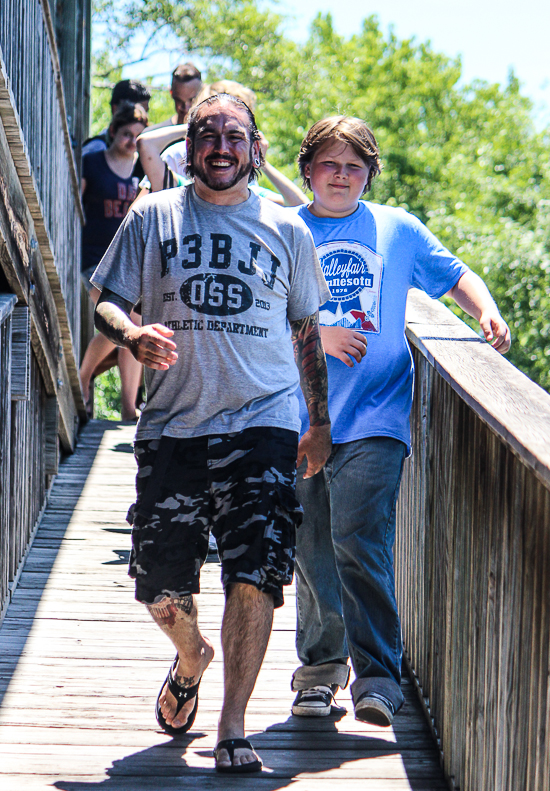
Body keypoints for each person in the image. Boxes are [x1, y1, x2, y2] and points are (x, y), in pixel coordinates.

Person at [90, 93, 332, 773]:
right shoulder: (152, 215)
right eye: (207, 135)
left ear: (256, 148)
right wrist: (132, 333)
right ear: (188, 147)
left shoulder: (289, 230)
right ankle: (192, 653)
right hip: (173, 425)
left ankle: (233, 723)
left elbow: (307, 331)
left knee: (256, 569)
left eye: (235, 136)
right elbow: (105, 299)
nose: (221, 147)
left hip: (264, 420)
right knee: (159, 583)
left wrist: (319, 423)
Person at [288, 116, 511, 727]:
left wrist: (486, 312)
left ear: (369, 174)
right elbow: (262, 321)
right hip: (300, 417)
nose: (341, 175)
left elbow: (454, 273)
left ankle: (378, 678)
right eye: (330, 164)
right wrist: (319, 335)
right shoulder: (285, 229)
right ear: (308, 169)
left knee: (360, 541)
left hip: (378, 414)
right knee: (311, 548)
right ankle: (320, 671)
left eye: (354, 166)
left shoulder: (396, 228)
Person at [79, 102, 148, 420]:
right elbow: (74, 206)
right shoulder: (92, 163)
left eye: (138, 135)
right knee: (124, 320)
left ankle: (128, 408)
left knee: (130, 326)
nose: (131, 140)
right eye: (125, 134)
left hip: (130, 262)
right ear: (112, 132)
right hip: (96, 258)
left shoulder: (143, 170)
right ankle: (84, 375)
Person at [137, 80, 308, 205]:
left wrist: (259, 160)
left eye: (235, 132)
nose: (223, 148)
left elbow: (300, 206)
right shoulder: (177, 155)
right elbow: (139, 210)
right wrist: (196, 127)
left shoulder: (243, 174)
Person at [82, 79, 151, 155]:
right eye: (138, 111)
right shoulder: (96, 149)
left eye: (145, 112)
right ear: (115, 109)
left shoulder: (142, 151)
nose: (142, 117)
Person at [147, 62, 202, 130]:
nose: (186, 108)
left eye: (192, 100)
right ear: (171, 93)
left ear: (202, 94)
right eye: (179, 101)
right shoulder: (156, 135)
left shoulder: (212, 135)